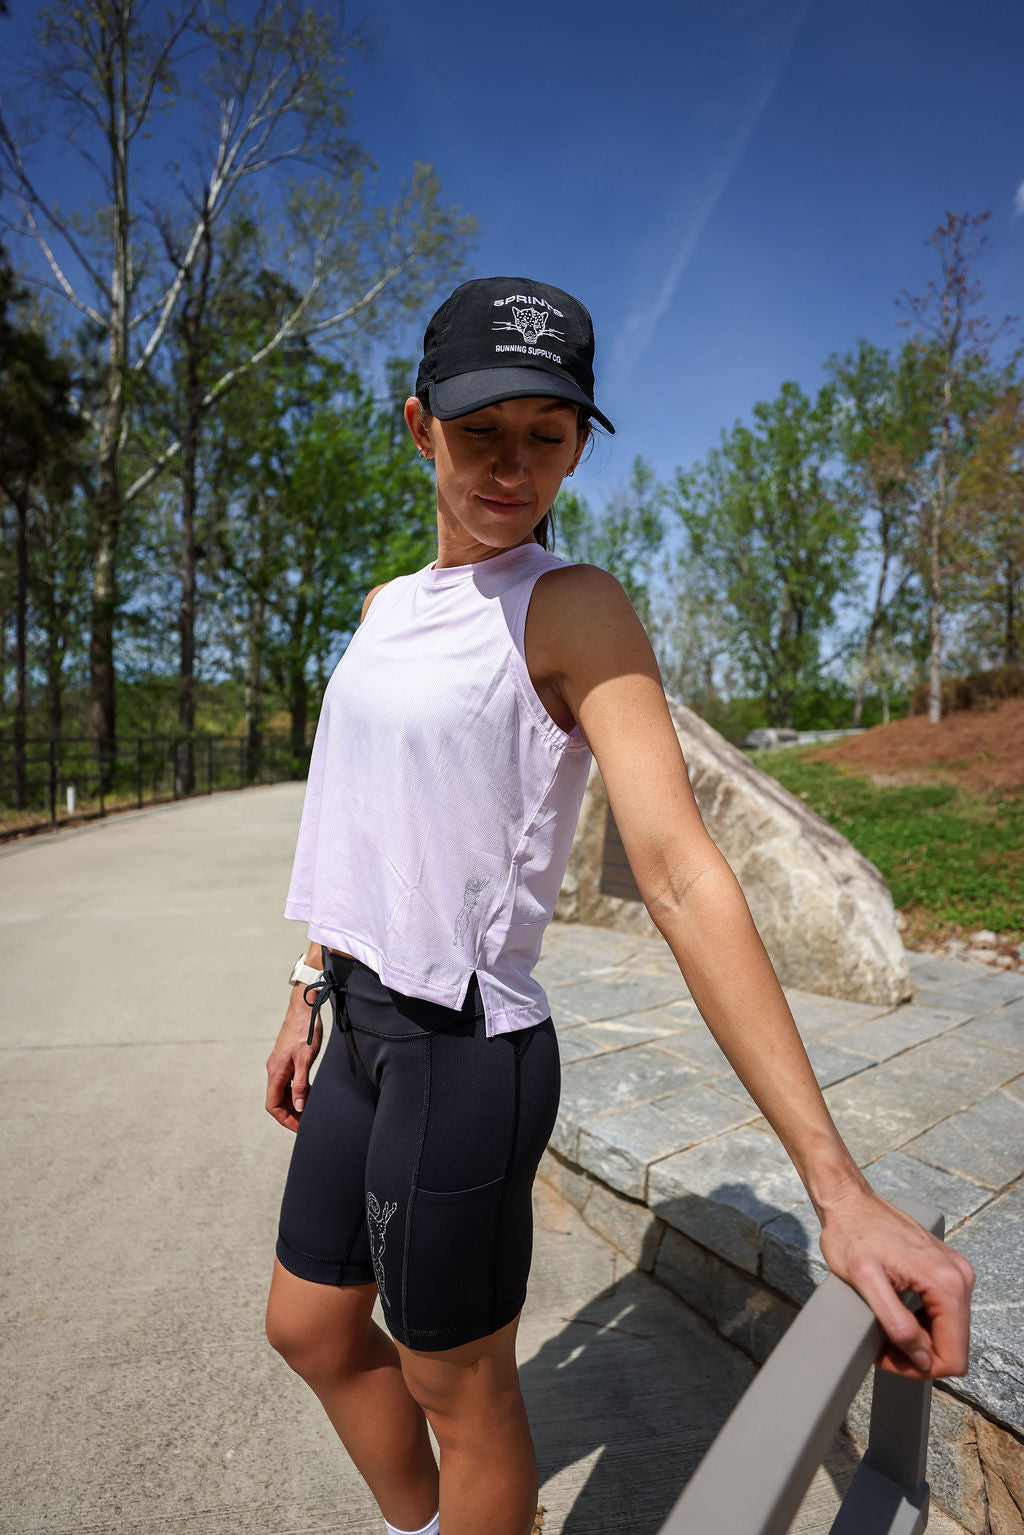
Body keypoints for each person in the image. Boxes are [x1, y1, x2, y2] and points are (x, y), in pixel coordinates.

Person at [263, 275, 974, 1535]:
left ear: (579, 445)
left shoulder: (572, 605)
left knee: (456, 1383)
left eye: (548, 435)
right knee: (310, 1326)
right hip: (361, 1024)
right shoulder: (384, 609)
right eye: (481, 429)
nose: (512, 465)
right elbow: (366, 820)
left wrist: (837, 1187)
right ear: (418, 426)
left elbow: (682, 869)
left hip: (462, 1051)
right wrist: (309, 983)